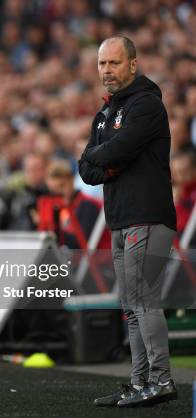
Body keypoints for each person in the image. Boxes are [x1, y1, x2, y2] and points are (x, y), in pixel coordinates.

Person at [78, 36, 178, 407]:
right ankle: (139, 382)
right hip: (119, 219)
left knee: (144, 301)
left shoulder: (147, 106)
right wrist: (105, 159)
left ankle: (162, 380)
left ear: (133, 65)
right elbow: (87, 170)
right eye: (102, 64)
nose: (106, 71)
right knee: (131, 306)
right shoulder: (105, 114)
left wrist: (104, 158)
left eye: (114, 63)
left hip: (147, 217)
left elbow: (113, 151)